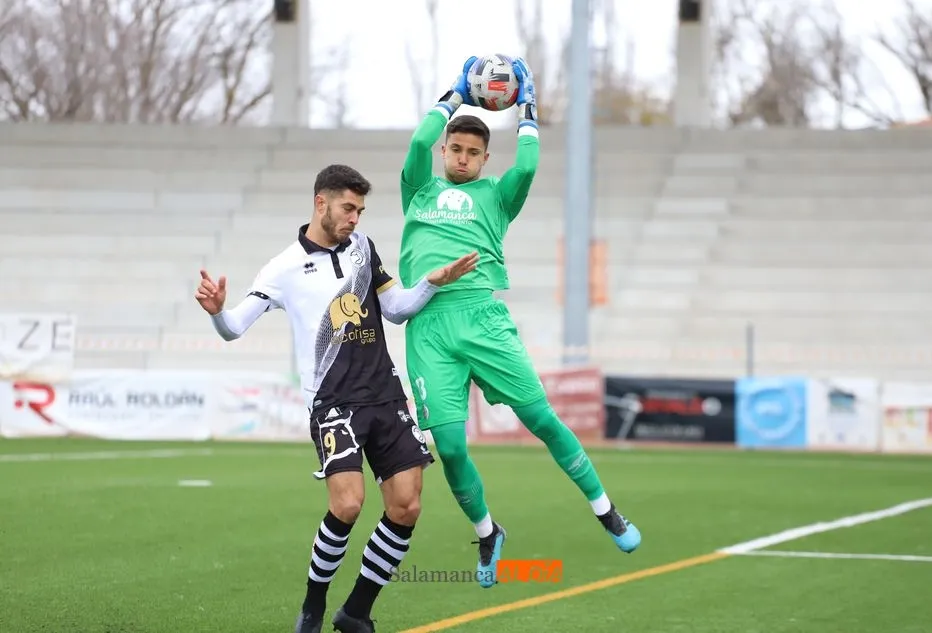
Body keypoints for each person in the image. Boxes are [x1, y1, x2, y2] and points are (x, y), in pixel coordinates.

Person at [194, 164, 479, 633]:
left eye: (361, 210)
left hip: (385, 397)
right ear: (320, 203)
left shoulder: (364, 249)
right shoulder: (282, 268)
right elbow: (233, 329)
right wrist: (217, 312)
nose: (355, 219)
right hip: (333, 404)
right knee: (348, 504)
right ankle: (313, 604)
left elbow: (396, 309)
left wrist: (433, 281)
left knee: (406, 505)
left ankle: (357, 611)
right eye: (348, 208)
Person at [396, 57, 642, 587]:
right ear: (446, 152)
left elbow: (527, 166)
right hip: (428, 328)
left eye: (473, 153)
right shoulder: (419, 190)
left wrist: (528, 107)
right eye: (455, 150)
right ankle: (488, 533)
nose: (462, 159)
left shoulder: (497, 197)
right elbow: (417, 144)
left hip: (483, 319)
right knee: (452, 447)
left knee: (542, 420)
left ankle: (606, 510)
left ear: (486, 158)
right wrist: (455, 96)